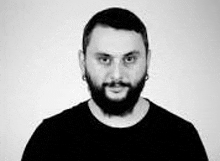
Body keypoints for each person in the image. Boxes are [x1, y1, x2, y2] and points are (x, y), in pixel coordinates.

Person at [21, 7, 208, 160]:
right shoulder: (50, 138)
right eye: (104, 59)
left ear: (148, 60)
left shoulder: (182, 138)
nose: (117, 75)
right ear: (82, 61)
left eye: (129, 59)